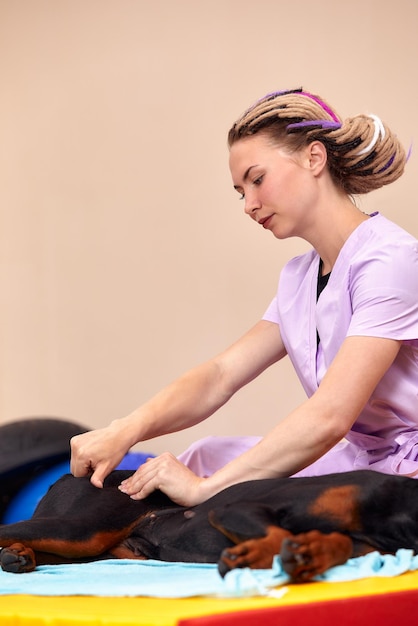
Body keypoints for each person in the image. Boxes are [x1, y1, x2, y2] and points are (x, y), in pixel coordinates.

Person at [70, 87, 418, 507]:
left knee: (211, 485)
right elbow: (221, 374)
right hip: (363, 459)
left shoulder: (391, 260)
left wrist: (205, 491)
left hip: (407, 472)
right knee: (205, 454)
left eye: (257, 179)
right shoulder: (299, 278)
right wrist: (126, 428)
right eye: (241, 191)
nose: (249, 205)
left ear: (314, 158)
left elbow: (330, 416)